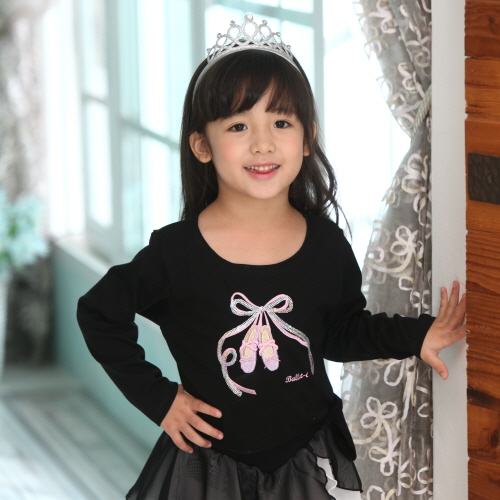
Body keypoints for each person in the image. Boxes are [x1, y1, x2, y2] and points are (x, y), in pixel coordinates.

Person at [76, 14, 466, 500]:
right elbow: (98, 313)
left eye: (281, 122)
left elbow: (341, 332)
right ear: (202, 145)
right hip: (206, 470)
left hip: (301, 463)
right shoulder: (176, 254)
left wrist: (418, 335)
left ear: (306, 138)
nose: (262, 143)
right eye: (239, 125)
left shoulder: (325, 245)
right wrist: (160, 399)